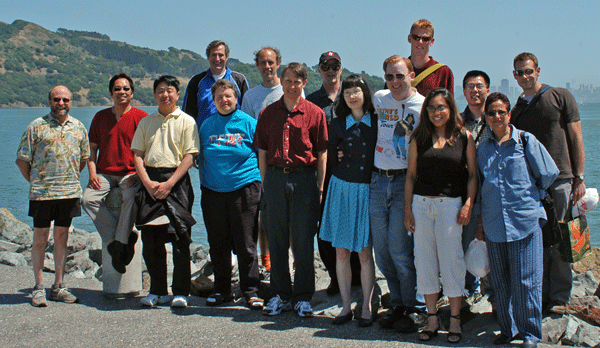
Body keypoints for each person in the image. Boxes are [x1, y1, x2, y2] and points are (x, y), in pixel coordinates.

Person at [478, 92, 559, 348]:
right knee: (500, 283)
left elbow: (547, 174)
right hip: (494, 224)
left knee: (527, 282)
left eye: (501, 112)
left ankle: (530, 334)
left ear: (509, 114)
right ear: (486, 117)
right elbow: (480, 184)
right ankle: (508, 329)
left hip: (524, 221)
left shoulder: (526, 141)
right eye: (492, 113)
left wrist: (532, 199)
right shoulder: (482, 148)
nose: (497, 117)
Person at [510, 52, 586, 314]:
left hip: (562, 179)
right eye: (519, 72)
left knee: (564, 240)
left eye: (529, 71)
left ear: (538, 70)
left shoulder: (560, 96)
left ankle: (560, 297)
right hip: (530, 184)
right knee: (537, 242)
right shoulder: (517, 108)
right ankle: (539, 297)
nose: (525, 76)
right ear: (514, 75)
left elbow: (576, 136)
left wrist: (580, 177)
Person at [254, 63, 328, 318]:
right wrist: (266, 184)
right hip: (275, 179)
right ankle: (279, 294)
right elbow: (262, 152)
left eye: (297, 81)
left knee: (303, 239)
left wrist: (319, 187)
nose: (292, 86)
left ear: (304, 83)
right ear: (281, 81)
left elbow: (322, 152)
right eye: (288, 81)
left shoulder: (315, 113)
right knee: (276, 238)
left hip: (304, 179)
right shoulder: (268, 113)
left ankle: (303, 296)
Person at [404, 88, 477, 343]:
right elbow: (410, 176)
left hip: (451, 207)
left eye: (441, 107)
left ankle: (455, 320)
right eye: (432, 108)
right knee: (424, 263)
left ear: (450, 109)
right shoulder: (418, 138)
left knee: (452, 262)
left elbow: (472, 175)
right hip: (421, 206)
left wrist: (468, 204)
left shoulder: (464, 136)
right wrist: (407, 211)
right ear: (426, 111)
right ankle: (432, 318)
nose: (437, 112)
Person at [16, 85, 90, 307]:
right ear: (49, 102)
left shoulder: (78, 127)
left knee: (62, 238)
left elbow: (84, 159)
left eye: (65, 100)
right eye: (56, 99)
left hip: (68, 193)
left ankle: (59, 285)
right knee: (39, 240)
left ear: (71, 102)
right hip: (42, 194)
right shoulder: (36, 127)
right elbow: (22, 160)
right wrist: (36, 181)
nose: (61, 103)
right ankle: (38, 287)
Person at [131, 76, 200, 309]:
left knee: (180, 238)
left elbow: (190, 155)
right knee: (151, 241)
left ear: (177, 94)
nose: (165, 95)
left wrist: (169, 183)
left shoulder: (187, 121)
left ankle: (181, 291)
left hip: (177, 181)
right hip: (150, 180)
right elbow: (137, 155)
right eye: (160, 91)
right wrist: (148, 183)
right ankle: (157, 291)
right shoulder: (146, 122)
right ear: (154, 95)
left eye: (169, 91)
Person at [371, 55, 425, 332]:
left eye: (400, 76)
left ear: (412, 75)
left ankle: (414, 306)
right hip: (378, 180)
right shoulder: (379, 98)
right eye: (390, 77)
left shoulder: (422, 104)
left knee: (400, 250)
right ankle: (397, 304)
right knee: (381, 252)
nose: (395, 82)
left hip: (406, 181)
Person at [199, 79, 263, 310]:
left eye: (228, 96)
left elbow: (260, 154)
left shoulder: (248, 123)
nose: (224, 101)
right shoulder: (207, 125)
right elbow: (200, 157)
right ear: (214, 101)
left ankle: (251, 290)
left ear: (236, 99)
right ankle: (222, 290)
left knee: (246, 244)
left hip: (244, 188)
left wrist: (260, 186)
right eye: (219, 97)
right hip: (213, 192)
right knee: (218, 243)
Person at [320, 75, 377, 327]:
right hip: (341, 188)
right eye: (347, 92)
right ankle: (345, 307)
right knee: (341, 252)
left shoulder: (377, 122)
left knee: (365, 254)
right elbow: (330, 154)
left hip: (366, 190)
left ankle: (366, 306)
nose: (352, 96)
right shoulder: (337, 123)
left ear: (365, 93)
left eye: (356, 91)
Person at [82, 73, 147, 274]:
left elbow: (148, 151)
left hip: (130, 173)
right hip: (104, 173)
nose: (122, 92)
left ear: (132, 92)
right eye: (117, 89)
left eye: (126, 88)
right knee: (87, 199)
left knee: (130, 197)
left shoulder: (141, 118)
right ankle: (119, 241)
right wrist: (92, 174)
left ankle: (118, 242)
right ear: (111, 93)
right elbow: (91, 152)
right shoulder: (100, 117)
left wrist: (140, 174)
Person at [307, 51, 361, 296]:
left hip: (350, 171)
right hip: (322, 173)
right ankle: (335, 277)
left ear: (341, 68)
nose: (330, 69)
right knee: (325, 227)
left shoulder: (351, 97)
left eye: (335, 65)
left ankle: (357, 276)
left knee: (353, 223)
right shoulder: (312, 100)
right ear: (318, 70)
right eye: (325, 66)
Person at [459, 70, 492, 303]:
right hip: (466, 192)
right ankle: (468, 289)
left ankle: (495, 295)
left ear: (487, 90)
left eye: (479, 86)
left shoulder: (497, 119)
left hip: (492, 192)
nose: (475, 90)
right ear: (463, 92)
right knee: (466, 240)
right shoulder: (457, 122)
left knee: (495, 243)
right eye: (470, 86)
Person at [182, 40, 249, 128]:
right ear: (208, 57)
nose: (217, 59)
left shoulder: (239, 80)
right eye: (213, 55)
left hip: (233, 137)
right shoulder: (196, 81)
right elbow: (187, 115)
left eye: (220, 55)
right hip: (204, 138)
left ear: (227, 56)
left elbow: (248, 112)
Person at [407, 19, 454, 97]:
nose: (420, 42)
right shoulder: (398, 68)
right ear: (409, 38)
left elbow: (449, 105)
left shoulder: (443, 72)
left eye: (425, 39)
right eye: (416, 37)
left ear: (432, 41)